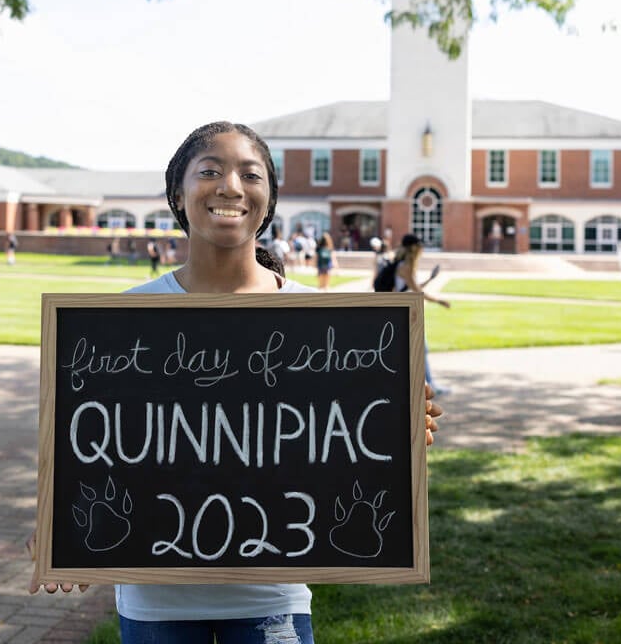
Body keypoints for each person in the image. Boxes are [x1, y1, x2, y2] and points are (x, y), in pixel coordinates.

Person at [28, 121, 444, 644]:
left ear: (268, 202)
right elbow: (91, 453)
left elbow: (345, 454)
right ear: (177, 195)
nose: (230, 186)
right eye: (210, 171)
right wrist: (62, 531)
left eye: (250, 174)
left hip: (273, 601)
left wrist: (398, 432)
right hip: (156, 603)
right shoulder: (120, 321)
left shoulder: (326, 323)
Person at [391, 234, 452, 396]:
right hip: (405, 314)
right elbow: (417, 293)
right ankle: (430, 386)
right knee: (420, 349)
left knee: (411, 350)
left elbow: (409, 288)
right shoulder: (406, 267)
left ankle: (425, 385)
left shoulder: (400, 264)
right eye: (420, 247)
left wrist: (430, 279)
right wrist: (440, 301)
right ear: (414, 248)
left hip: (400, 312)